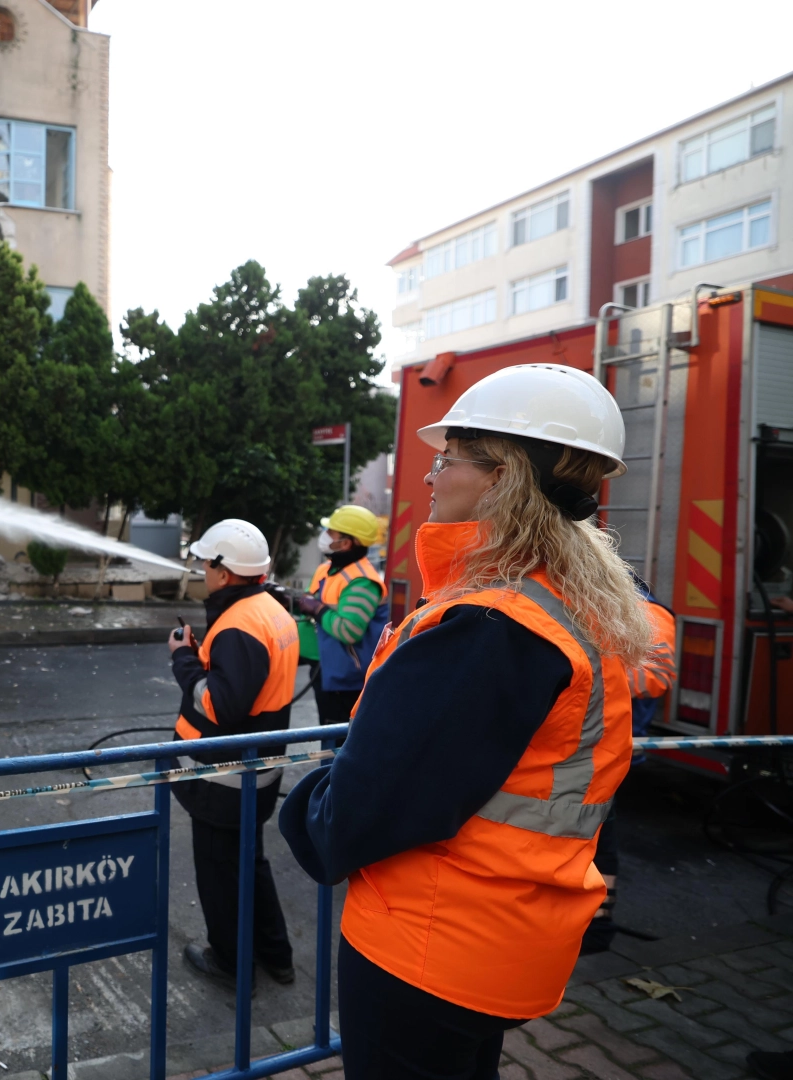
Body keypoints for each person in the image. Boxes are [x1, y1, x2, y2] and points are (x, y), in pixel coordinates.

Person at [278, 363, 648, 1078]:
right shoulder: (561, 603)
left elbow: (366, 808)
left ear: (502, 478)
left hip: (427, 948)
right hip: (494, 940)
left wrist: (312, 808)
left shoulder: (487, 626)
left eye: (446, 458)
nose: (429, 476)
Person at [168, 518, 300, 991]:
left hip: (220, 781)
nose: (203, 570)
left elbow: (222, 706)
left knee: (219, 872)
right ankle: (275, 954)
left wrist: (183, 661)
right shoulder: (269, 610)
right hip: (255, 773)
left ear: (224, 572)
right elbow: (247, 681)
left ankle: (230, 963)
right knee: (250, 861)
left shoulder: (239, 625)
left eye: (207, 562)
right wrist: (209, 658)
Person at [582, 575, 675, 953]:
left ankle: (597, 929)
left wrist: (593, 669)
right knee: (591, 834)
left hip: (608, 746)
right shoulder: (618, 608)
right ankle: (589, 924)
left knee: (598, 835)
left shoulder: (647, 614)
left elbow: (655, 677)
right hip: (597, 745)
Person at [292, 504, 390, 727]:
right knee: (326, 733)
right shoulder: (327, 569)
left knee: (335, 742)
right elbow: (311, 604)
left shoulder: (362, 582)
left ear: (346, 542)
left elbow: (349, 630)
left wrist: (317, 609)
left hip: (344, 679)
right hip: (323, 668)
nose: (324, 536)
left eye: (330, 532)